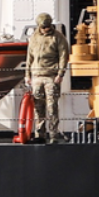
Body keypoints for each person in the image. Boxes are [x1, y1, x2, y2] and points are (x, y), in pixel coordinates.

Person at [24, 11, 69, 143]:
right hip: (36, 76)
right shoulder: (34, 38)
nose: (46, 29)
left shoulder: (58, 38)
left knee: (52, 106)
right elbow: (29, 57)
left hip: (51, 76)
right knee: (38, 106)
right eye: (43, 27)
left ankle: (53, 135)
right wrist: (27, 75)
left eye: (48, 26)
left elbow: (63, 57)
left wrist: (60, 74)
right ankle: (40, 134)